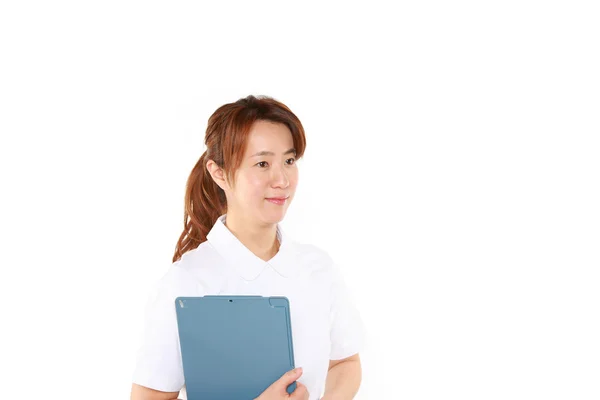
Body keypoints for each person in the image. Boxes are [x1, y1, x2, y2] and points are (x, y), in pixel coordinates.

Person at [130, 95, 365, 400]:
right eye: (262, 163)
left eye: (289, 161)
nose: (281, 180)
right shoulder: (186, 283)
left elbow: (345, 362)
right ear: (219, 173)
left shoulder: (317, 267)